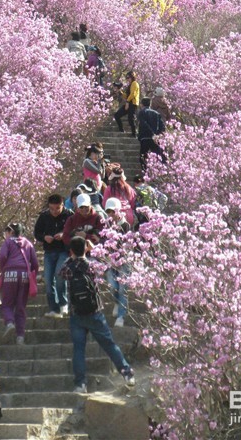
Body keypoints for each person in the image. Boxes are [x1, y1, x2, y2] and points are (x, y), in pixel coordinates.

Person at [61, 236, 135, 394]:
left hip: (76, 314)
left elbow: (61, 274)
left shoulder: (68, 267)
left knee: (79, 349)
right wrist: (92, 250)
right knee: (109, 345)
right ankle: (127, 374)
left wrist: (73, 256)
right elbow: (108, 265)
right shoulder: (92, 265)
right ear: (85, 248)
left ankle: (80, 384)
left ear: (71, 250)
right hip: (95, 312)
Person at [0, 223, 38, 344]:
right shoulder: (28, 244)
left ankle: (9, 323)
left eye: (7, 231)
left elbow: (2, 256)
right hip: (24, 275)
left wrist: (3, 268)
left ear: (11, 232)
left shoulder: (8, 242)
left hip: (10, 274)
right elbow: (35, 263)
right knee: (20, 307)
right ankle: (20, 336)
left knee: (7, 304)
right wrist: (34, 274)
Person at [33, 194, 73, 318]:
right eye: (51, 209)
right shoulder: (44, 216)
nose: (54, 211)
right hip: (49, 251)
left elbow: (74, 231)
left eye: (57, 208)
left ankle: (63, 303)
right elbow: (37, 233)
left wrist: (63, 235)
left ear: (62, 205)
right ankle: (54, 308)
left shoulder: (69, 215)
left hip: (63, 250)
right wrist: (44, 237)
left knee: (59, 275)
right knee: (48, 280)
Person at [103, 198, 131, 327]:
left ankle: (121, 316)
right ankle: (116, 302)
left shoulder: (126, 226)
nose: (111, 215)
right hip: (110, 261)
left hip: (123, 261)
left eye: (113, 211)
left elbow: (128, 245)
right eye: (108, 212)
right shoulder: (106, 225)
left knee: (122, 289)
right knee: (113, 286)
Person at [137, 97, 167, 170]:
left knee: (143, 155)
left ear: (142, 104)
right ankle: (157, 170)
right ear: (150, 104)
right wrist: (157, 134)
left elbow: (143, 124)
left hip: (145, 137)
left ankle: (145, 170)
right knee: (157, 155)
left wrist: (152, 133)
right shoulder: (156, 113)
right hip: (155, 139)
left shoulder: (142, 112)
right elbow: (162, 126)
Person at [114, 71, 139, 136]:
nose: (127, 79)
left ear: (132, 77)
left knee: (131, 119)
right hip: (129, 103)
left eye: (128, 77)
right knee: (117, 115)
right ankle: (121, 130)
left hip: (132, 103)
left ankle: (134, 134)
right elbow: (127, 95)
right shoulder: (130, 85)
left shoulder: (134, 83)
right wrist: (120, 92)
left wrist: (127, 102)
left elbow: (133, 94)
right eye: (126, 78)